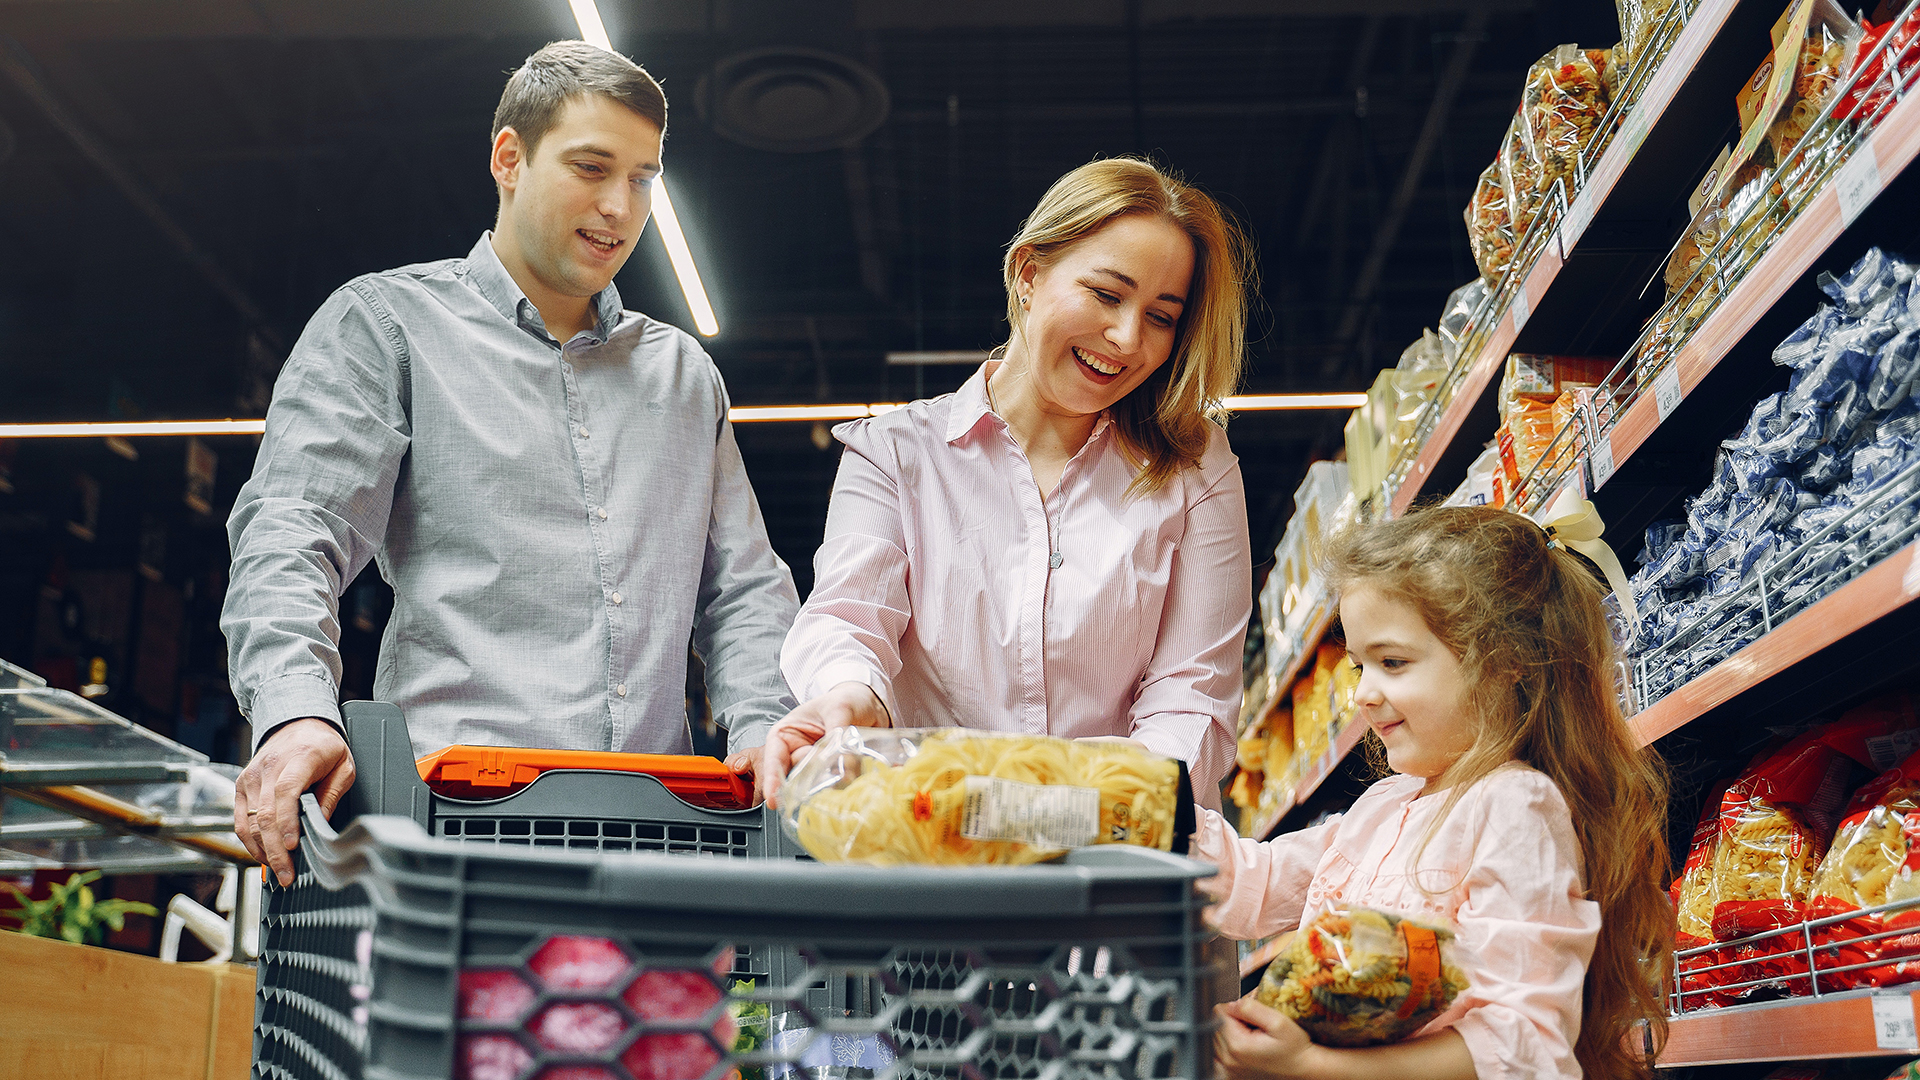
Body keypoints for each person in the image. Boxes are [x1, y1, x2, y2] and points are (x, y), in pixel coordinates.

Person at [223, 41, 799, 885]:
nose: (619, 206)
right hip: (449, 840)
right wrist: (294, 713)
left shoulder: (682, 377)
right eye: (591, 167)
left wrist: (766, 729)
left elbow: (743, 588)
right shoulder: (387, 327)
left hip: (659, 845)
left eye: (642, 178)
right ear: (509, 158)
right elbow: (293, 530)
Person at [760, 158, 1254, 812]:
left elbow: (1193, 693)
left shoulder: (1196, 466)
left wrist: (1077, 811)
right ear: (1028, 273)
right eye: (1107, 294)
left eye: (1161, 317)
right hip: (935, 847)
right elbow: (851, 616)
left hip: (1119, 862)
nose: (1128, 338)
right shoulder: (896, 454)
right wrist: (849, 698)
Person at [1202, 506, 1672, 1080]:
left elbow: (1524, 1044)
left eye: (1392, 662)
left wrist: (1311, 1065)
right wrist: (1132, 803)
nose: (1363, 696)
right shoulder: (1384, 808)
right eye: (1358, 667)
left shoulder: (1514, 807)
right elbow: (1257, 884)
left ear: (1505, 664)